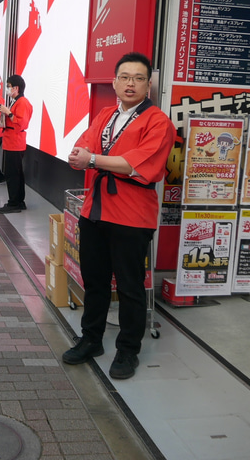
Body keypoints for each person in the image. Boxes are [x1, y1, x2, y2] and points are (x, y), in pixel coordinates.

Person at [62, 52, 175, 380]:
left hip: (131, 216)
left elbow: (137, 164)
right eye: (125, 77)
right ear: (114, 81)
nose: (131, 83)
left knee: (129, 287)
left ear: (148, 85)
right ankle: (91, 339)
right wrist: (78, 157)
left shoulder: (158, 122)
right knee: (95, 281)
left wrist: (92, 159)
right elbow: (82, 148)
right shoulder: (104, 115)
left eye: (139, 78)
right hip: (95, 211)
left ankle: (128, 350)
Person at [0, 74, 33, 214]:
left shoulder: (22, 102)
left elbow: (22, 123)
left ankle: (14, 202)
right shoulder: (16, 101)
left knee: (13, 173)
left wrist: (9, 113)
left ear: (16, 88)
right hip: (11, 141)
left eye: (9, 86)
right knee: (15, 173)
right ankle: (18, 201)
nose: (7, 89)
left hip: (15, 142)